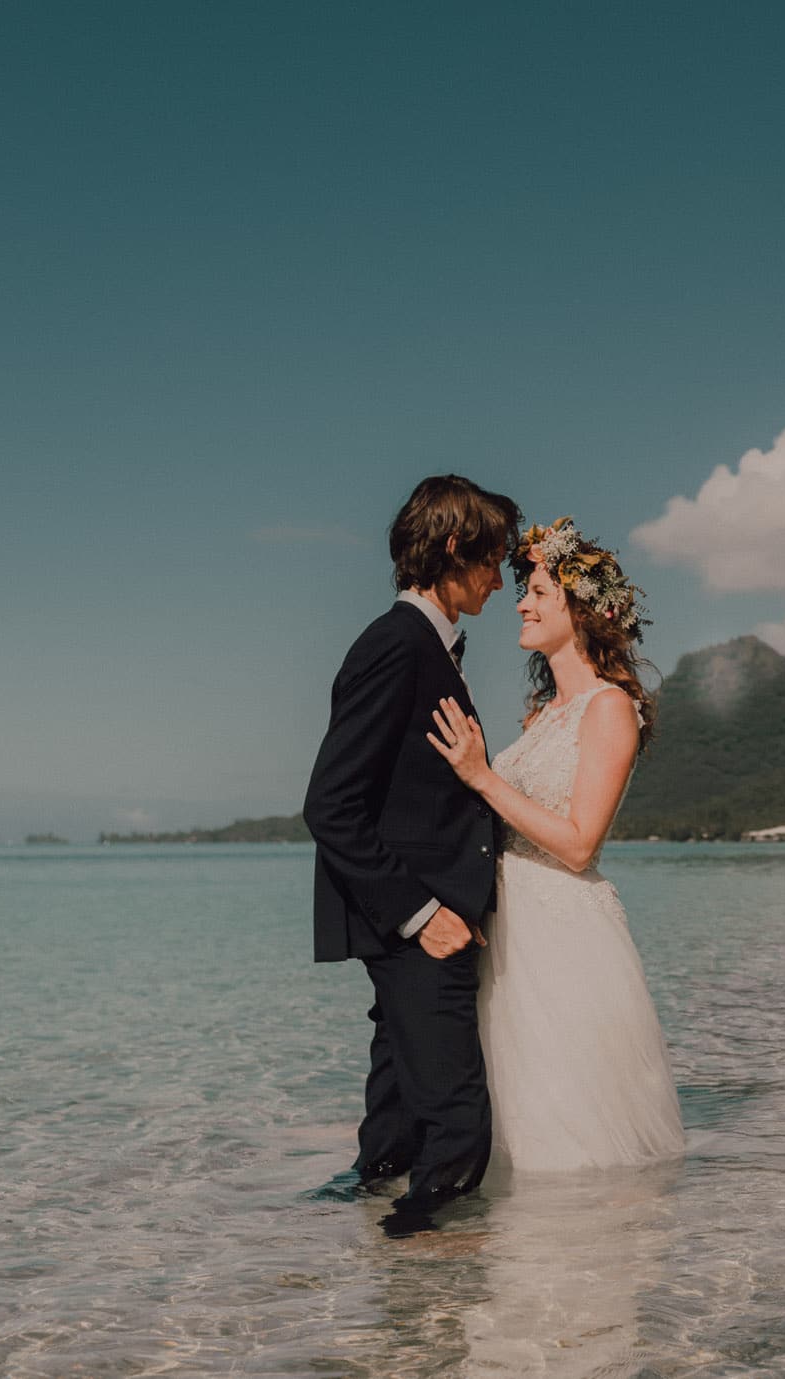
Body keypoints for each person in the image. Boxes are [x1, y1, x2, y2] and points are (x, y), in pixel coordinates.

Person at [425, 517, 686, 1171]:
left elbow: (579, 845)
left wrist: (482, 775)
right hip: (511, 931)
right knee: (509, 1123)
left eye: (538, 591)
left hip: (564, 942)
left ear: (581, 607)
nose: (521, 603)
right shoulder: (541, 716)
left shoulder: (610, 708)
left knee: (567, 1139)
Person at [303, 474, 520, 1237]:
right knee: (457, 1130)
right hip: (415, 923)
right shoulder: (398, 644)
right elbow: (329, 803)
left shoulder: (424, 644)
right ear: (455, 545)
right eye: (494, 558)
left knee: (393, 1136)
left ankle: (388, 1300)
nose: (502, 577)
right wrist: (424, 914)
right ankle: (434, 1291)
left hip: (425, 917)